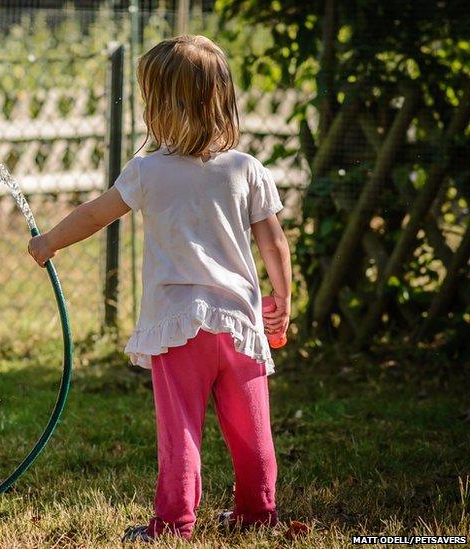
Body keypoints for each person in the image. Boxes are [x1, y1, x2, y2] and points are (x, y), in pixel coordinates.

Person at [28, 35, 291, 543]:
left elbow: (94, 214)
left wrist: (49, 243)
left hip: (178, 325)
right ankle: (258, 515)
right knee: (251, 429)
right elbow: (275, 243)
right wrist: (282, 299)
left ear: (163, 107)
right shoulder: (246, 169)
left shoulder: (148, 172)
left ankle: (174, 523)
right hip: (240, 323)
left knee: (181, 431)